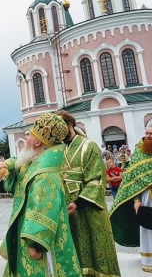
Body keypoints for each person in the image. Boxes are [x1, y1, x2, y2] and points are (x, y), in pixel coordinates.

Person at [0, 112, 81, 276]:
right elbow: (19, 162)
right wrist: (7, 165)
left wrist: (34, 243)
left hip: (42, 243)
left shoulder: (44, 174)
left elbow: (43, 208)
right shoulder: (37, 161)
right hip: (31, 235)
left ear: (37, 142)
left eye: (29, 135)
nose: (26, 139)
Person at [55, 110, 120, 277]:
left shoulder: (88, 146)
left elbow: (97, 179)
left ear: (70, 124)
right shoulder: (57, 150)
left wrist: (78, 203)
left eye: (60, 126)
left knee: (96, 251)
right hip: (66, 209)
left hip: (87, 209)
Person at [110, 126, 152, 273]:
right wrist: (136, 200)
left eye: (151, 134)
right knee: (147, 227)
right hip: (146, 195)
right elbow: (133, 178)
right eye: (146, 133)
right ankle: (149, 260)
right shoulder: (139, 152)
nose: (148, 136)